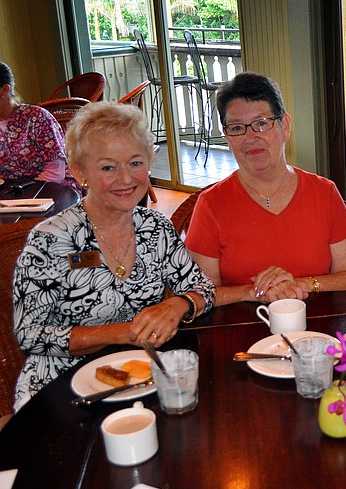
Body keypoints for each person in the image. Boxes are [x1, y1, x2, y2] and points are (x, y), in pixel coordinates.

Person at [13, 102, 215, 410]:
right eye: (108, 167)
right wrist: (122, 332)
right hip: (61, 389)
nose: (125, 179)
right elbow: (29, 335)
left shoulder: (155, 228)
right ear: (80, 172)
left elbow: (203, 290)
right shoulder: (50, 240)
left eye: (135, 163)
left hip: (141, 380)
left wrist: (178, 304)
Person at [185, 72, 346, 305]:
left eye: (261, 124)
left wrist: (301, 285)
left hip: (318, 330)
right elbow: (198, 294)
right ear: (227, 136)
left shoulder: (323, 192)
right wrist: (256, 291)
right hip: (244, 331)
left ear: (285, 126)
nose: (251, 137)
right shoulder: (212, 204)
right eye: (237, 128)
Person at [0, 62, 78, 189]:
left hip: (50, 189)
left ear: (5, 89)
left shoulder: (36, 118)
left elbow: (55, 171)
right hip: (7, 194)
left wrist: (26, 195)